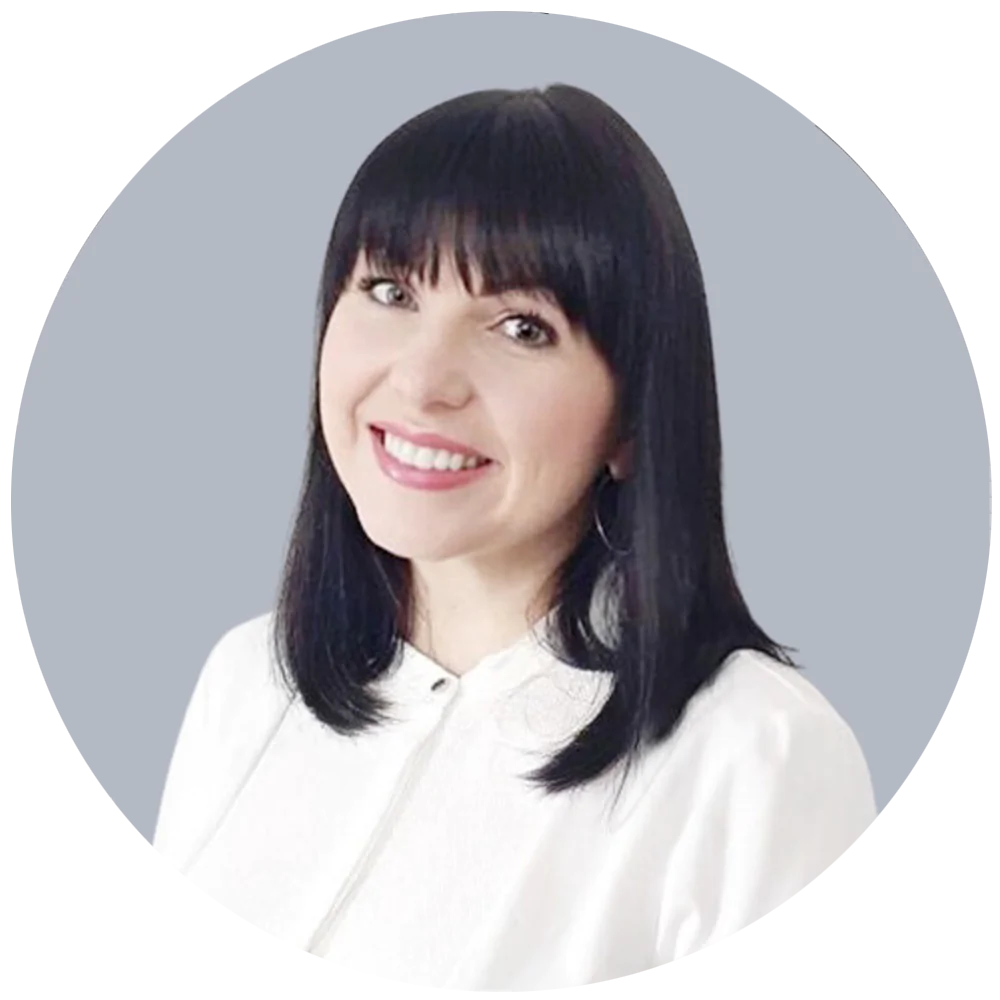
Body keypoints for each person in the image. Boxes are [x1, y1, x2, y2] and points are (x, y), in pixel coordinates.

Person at [151, 83, 877, 988]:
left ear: (632, 419)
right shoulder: (249, 683)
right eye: (389, 289)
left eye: (522, 327)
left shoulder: (755, 758)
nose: (423, 382)